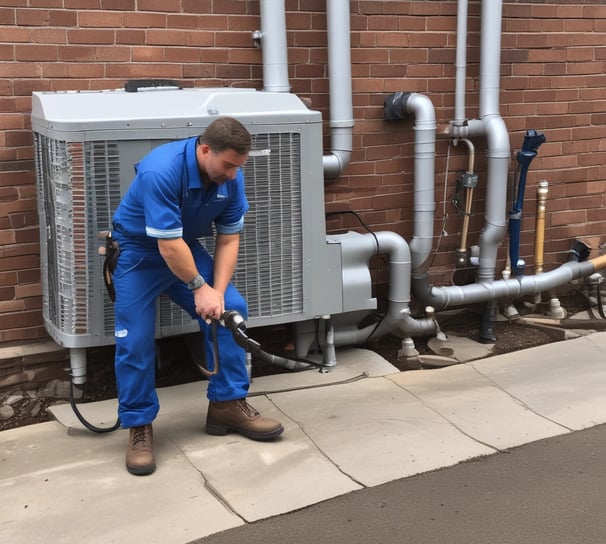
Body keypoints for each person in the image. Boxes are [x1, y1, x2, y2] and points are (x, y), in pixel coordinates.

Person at [110, 117, 284, 476]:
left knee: (231, 308)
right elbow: (167, 245)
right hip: (139, 255)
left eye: (239, 167)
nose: (234, 175)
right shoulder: (161, 171)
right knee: (136, 339)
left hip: (185, 249)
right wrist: (199, 288)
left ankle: (227, 403)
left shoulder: (230, 174)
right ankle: (139, 425)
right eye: (228, 166)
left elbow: (229, 238)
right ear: (206, 150)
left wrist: (216, 294)